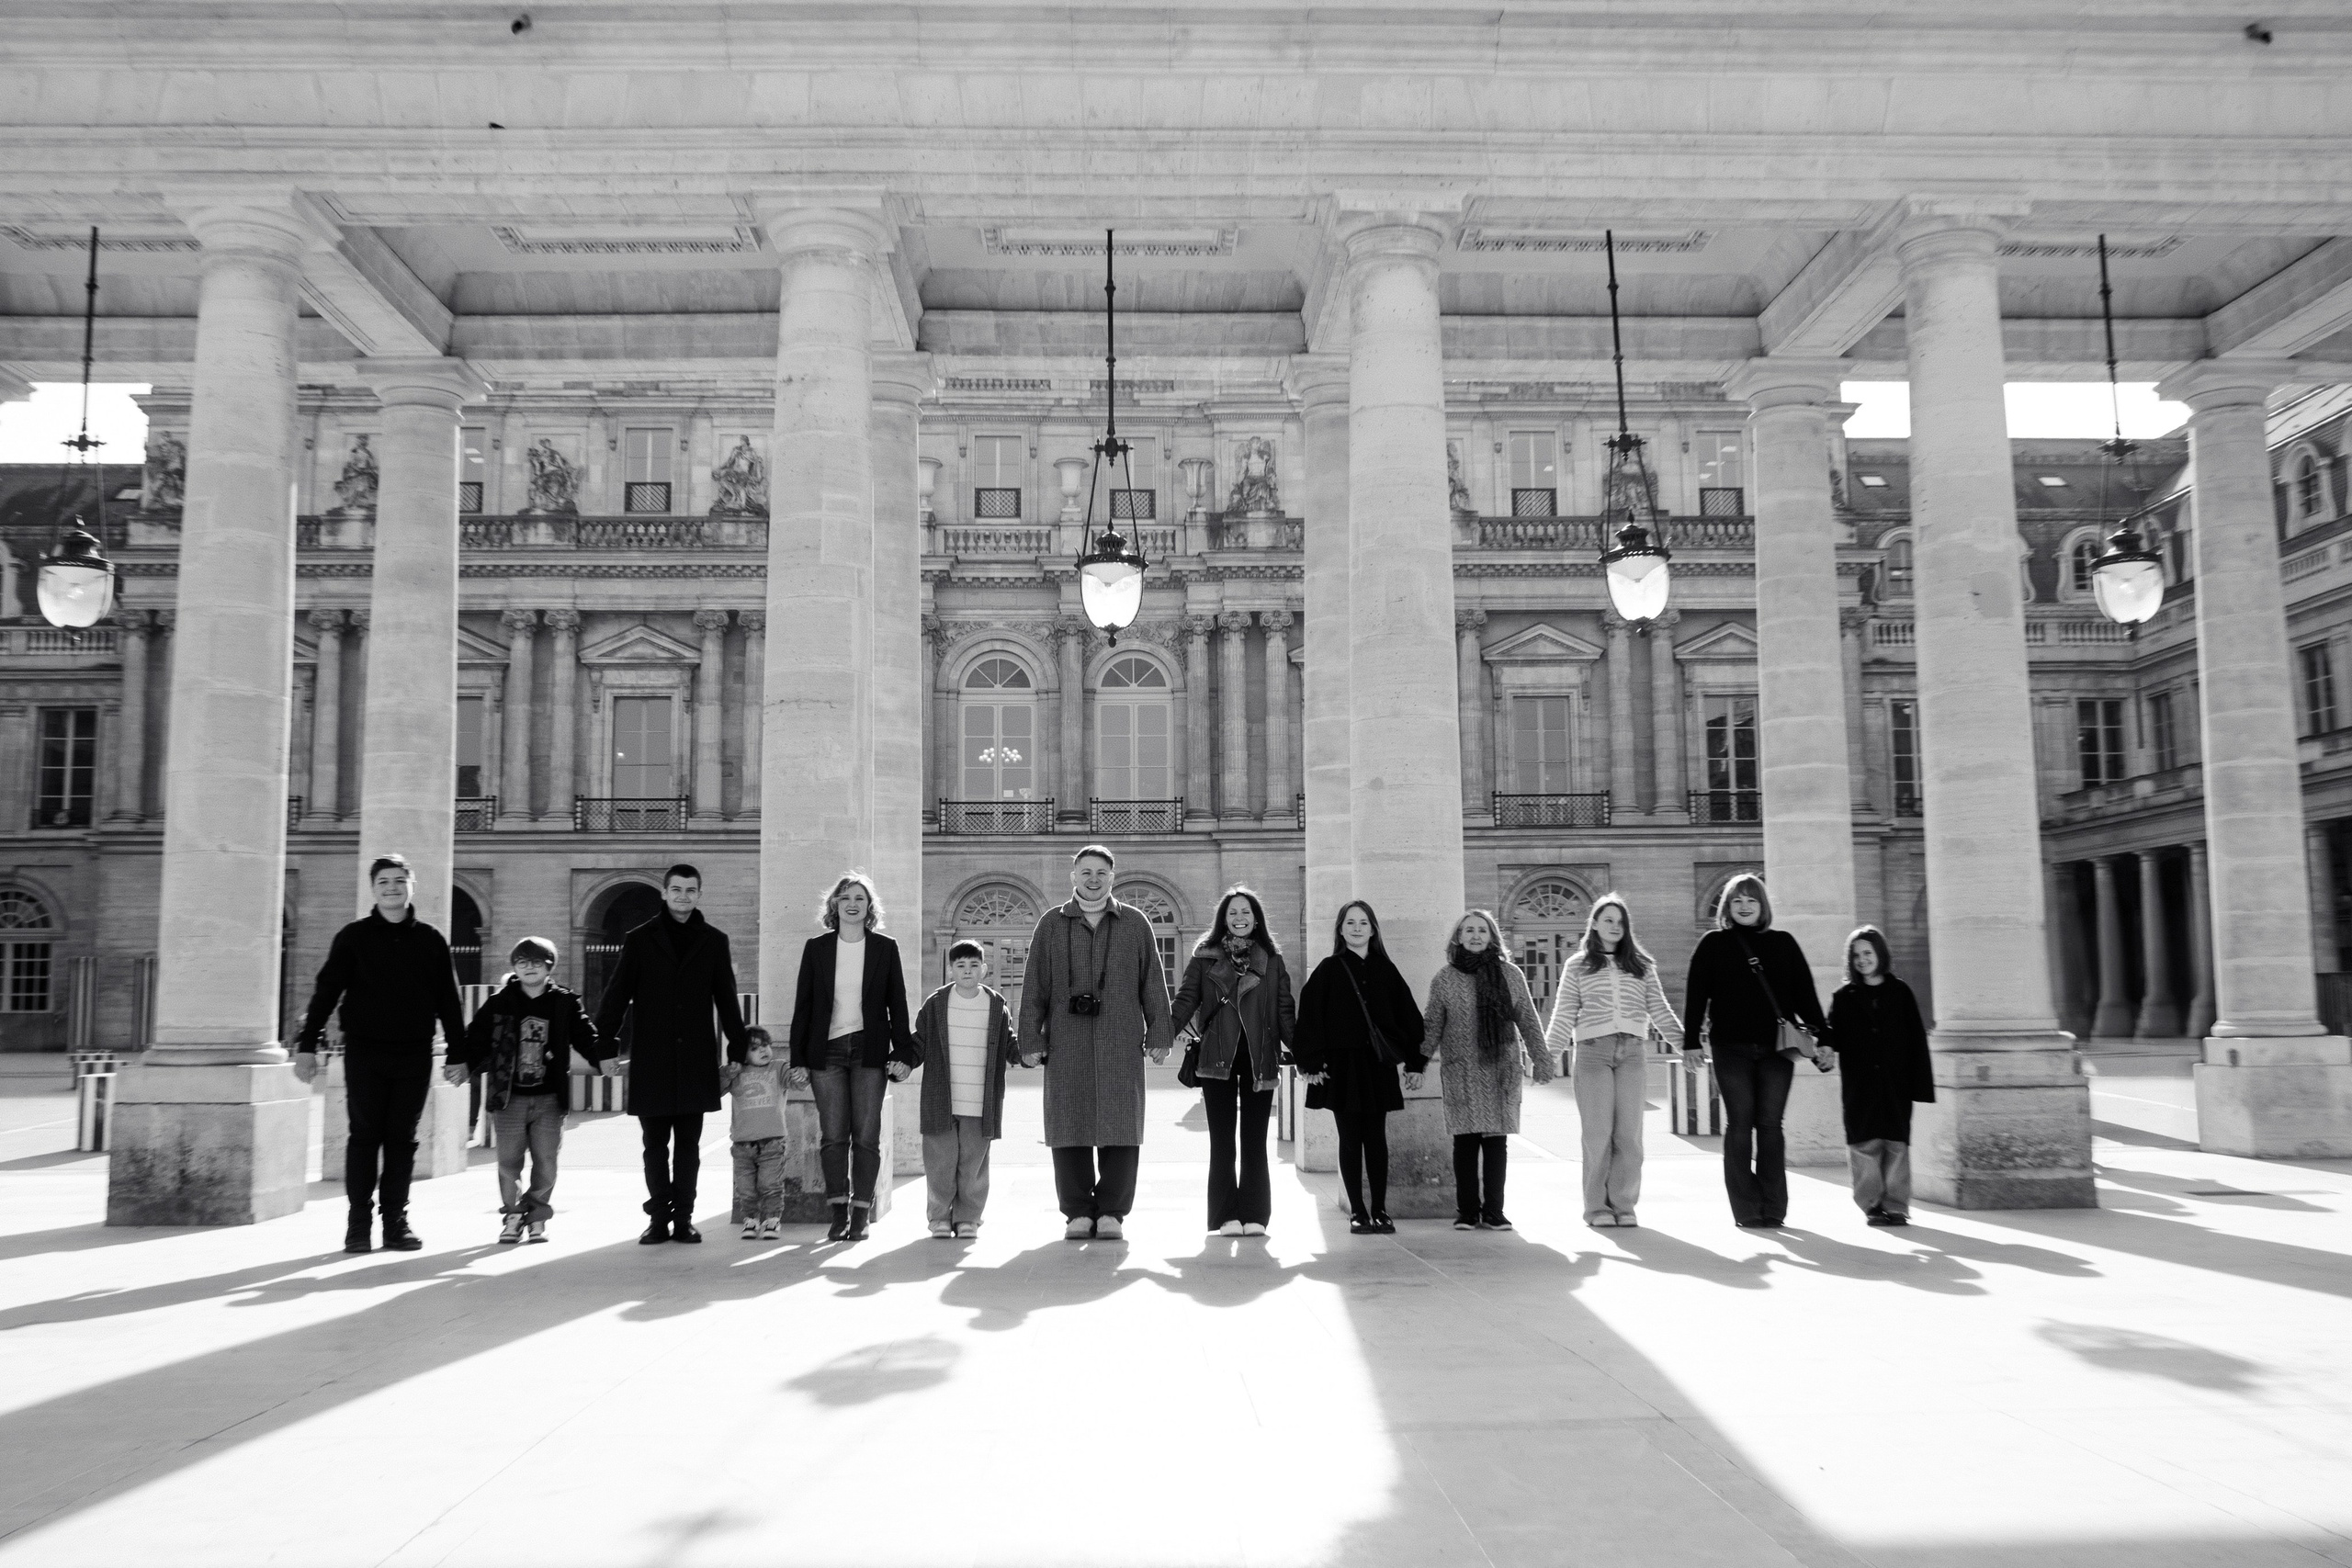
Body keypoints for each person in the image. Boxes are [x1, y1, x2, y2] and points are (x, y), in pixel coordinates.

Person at [294, 854, 468, 1255]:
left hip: (413, 1053)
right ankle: (358, 1225)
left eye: (399, 880)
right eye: (383, 882)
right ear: (373, 889)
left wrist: (458, 1053)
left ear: (412, 886)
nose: (392, 887)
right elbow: (326, 992)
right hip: (364, 1052)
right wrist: (307, 1046)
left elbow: (448, 999)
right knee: (364, 1138)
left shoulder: (431, 939)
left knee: (402, 1140)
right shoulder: (353, 937)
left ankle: (395, 1222)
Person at [1018, 844, 1175, 1241]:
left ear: (1112, 876)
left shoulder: (1136, 924)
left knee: (1121, 1122)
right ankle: (1076, 1213)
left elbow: (1153, 983)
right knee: (1068, 1121)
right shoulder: (1051, 924)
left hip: (1120, 1039)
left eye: (1100, 873)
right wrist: (1030, 1039)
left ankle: (1112, 1213)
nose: (1092, 879)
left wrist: (1160, 1032)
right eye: (1085, 872)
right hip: (1066, 1040)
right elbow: (1033, 986)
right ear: (1073, 877)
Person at [594, 863, 751, 1246]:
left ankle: (684, 1218)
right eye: (676, 890)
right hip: (653, 1057)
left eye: (690, 890)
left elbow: (726, 999)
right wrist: (604, 1047)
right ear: (664, 894)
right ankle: (658, 1218)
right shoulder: (639, 939)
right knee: (653, 1146)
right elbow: (616, 995)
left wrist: (737, 1047)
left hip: (696, 1056)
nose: (683, 896)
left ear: (699, 895)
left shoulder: (715, 940)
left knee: (688, 1147)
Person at [1682, 872, 1833, 1229]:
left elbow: (1805, 996)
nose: (1745, 906)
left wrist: (1825, 1036)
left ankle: (1773, 1206)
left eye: (1751, 900)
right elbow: (1696, 995)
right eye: (1737, 900)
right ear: (1727, 907)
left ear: (1762, 906)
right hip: (1729, 1048)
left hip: (1776, 1051)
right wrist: (1690, 1041)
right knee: (1740, 1123)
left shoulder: (1783, 943)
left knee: (1769, 1125)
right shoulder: (1712, 944)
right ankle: (1746, 1208)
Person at [447, 936, 609, 1245]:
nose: (529, 967)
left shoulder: (565, 1002)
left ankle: (536, 1217)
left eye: (536, 962)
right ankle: (512, 1215)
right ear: (514, 967)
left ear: (549, 966)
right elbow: (476, 1040)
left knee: (546, 1160)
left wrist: (606, 1060)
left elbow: (586, 1037)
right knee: (508, 1162)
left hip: (549, 1097)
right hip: (509, 1097)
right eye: (522, 962)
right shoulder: (499, 1003)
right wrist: (462, 1064)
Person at [785, 872, 919, 1244]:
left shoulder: (884, 947)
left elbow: (898, 1003)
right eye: (845, 898)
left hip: (868, 1050)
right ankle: (838, 1212)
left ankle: (861, 1213)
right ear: (834, 906)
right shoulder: (817, 948)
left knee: (865, 1136)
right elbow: (804, 1006)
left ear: (869, 906)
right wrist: (798, 1058)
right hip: (825, 1052)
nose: (852, 903)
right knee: (832, 1138)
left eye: (859, 897)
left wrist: (903, 1052)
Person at [1541, 894, 1682, 1229]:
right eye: (1608, 920)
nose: (1615, 927)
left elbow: (1660, 1010)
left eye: (1620, 922)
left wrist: (1687, 1045)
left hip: (1632, 1053)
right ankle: (1596, 1208)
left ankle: (1623, 1204)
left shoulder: (1642, 965)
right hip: (1592, 1053)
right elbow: (1564, 1013)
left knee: (1629, 1135)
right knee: (1597, 1133)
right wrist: (1546, 1057)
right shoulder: (1578, 964)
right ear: (1594, 923)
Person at [1291, 900, 1427, 1235]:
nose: (1356, 928)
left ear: (1372, 929)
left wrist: (1415, 1063)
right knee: (1350, 1139)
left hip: (1377, 1066)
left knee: (1376, 1139)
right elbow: (1309, 1018)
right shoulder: (1328, 969)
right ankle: (1358, 1211)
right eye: (1350, 922)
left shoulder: (1386, 969)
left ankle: (1380, 1210)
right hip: (1342, 1068)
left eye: (1363, 922)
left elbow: (1410, 1017)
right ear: (1340, 929)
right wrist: (1310, 1063)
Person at [1170, 886, 1296, 1237]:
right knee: (1222, 1142)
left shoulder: (1271, 960)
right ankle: (1225, 1215)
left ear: (1256, 919)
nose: (1239, 919)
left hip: (1260, 1058)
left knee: (1255, 1141)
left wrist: (1304, 1054)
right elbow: (1185, 1001)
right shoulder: (1205, 956)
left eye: (1246, 912)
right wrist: (1160, 1036)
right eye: (1233, 913)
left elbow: (1285, 1011)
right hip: (1216, 1058)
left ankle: (1256, 1214)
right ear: (1223, 919)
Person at [1422, 909, 1553, 1231]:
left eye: (1482, 930)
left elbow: (1528, 1020)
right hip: (1461, 1070)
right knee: (1465, 1142)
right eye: (1469, 930)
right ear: (1458, 937)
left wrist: (1542, 1058)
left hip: (1500, 1068)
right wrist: (1417, 1062)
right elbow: (1432, 1025)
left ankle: (1494, 1210)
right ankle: (1467, 1211)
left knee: (1496, 1142)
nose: (1476, 935)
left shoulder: (1511, 975)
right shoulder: (1444, 978)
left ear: (1493, 937)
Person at [911, 939, 1023, 1239]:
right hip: (941, 1099)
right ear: (951, 970)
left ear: (984, 969)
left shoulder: (996, 1006)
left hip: (979, 1101)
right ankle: (939, 1218)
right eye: (960, 965)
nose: (967, 971)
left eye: (974, 965)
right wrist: (902, 1063)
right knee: (940, 1165)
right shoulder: (936, 1004)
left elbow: (1009, 1044)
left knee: (972, 1167)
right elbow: (918, 1042)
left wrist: (1026, 1055)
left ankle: (968, 1219)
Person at [1827, 926, 1934, 1227]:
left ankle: (1897, 1205)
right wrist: (1822, 1049)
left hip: (1895, 1082)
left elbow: (1916, 1039)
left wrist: (1920, 1085)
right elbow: (1832, 1035)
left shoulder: (1900, 992)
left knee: (1896, 1145)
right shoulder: (1843, 996)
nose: (1862, 960)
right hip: (1859, 1085)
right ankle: (1872, 1204)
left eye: (1867, 953)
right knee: (1864, 1145)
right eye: (1856, 955)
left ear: (1880, 955)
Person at [720, 1027, 790, 1241]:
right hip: (742, 1146)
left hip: (772, 1143)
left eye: (766, 1045)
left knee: (771, 1185)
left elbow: (796, 1082)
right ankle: (750, 1220)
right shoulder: (736, 1072)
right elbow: (717, 1090)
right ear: (742, 1053)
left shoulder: (779, 1068)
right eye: (754, 1048)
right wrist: (727, 1072)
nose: (763, 1051)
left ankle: (771, 1220)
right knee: (746, 1189)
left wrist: (800, 1073)